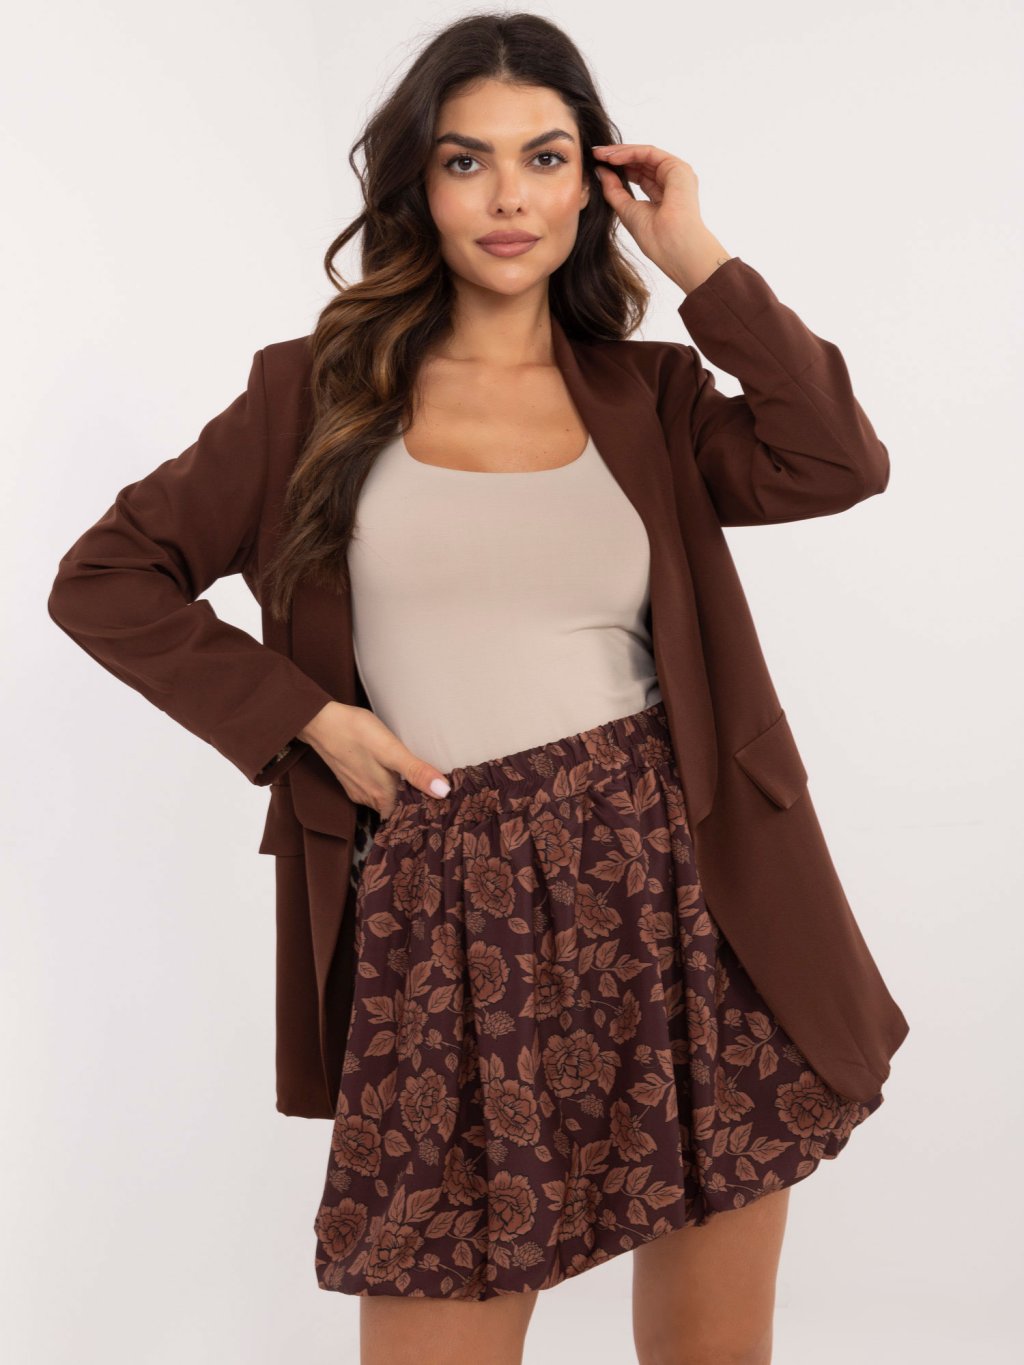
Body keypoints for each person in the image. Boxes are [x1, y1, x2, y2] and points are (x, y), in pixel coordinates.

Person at [48, 13, 908, 1365]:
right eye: (467, 161)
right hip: (448, 909)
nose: (509, 196)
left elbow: (836, 460)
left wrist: (695, 255)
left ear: (591, 183)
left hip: (681, 890)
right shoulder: (310, 397)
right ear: (420, 184)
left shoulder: (654, 398)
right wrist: (306, 721)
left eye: (545, 158)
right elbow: (105, 578)